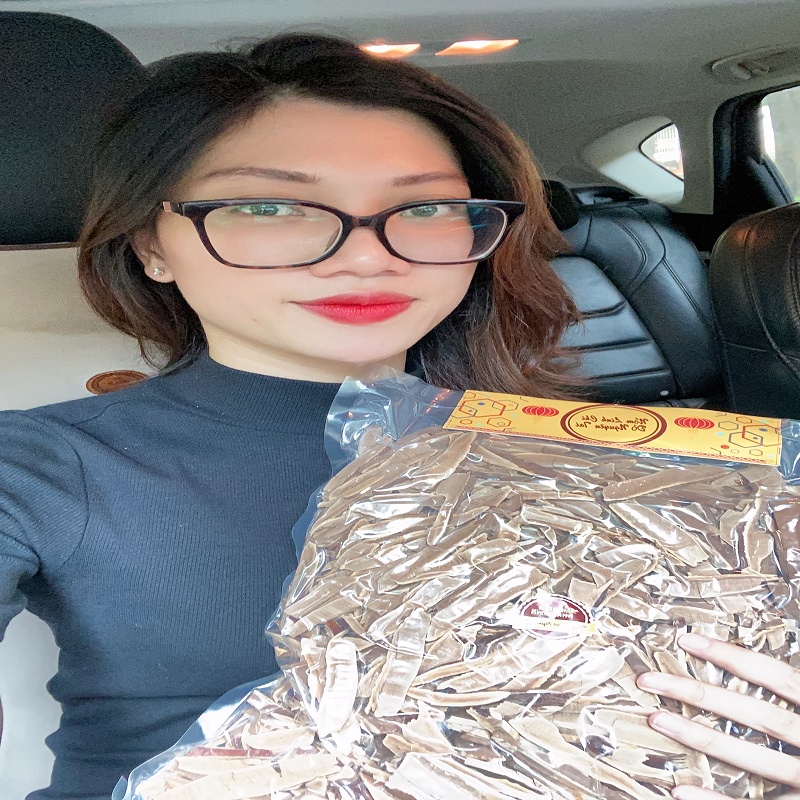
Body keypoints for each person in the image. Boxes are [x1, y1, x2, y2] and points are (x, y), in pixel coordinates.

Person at [0, 30, 796, 800]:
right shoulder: (39, 465)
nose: (365, 255)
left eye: (424, 208)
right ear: (151, 244)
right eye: (271, 207)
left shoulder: (623, 468)